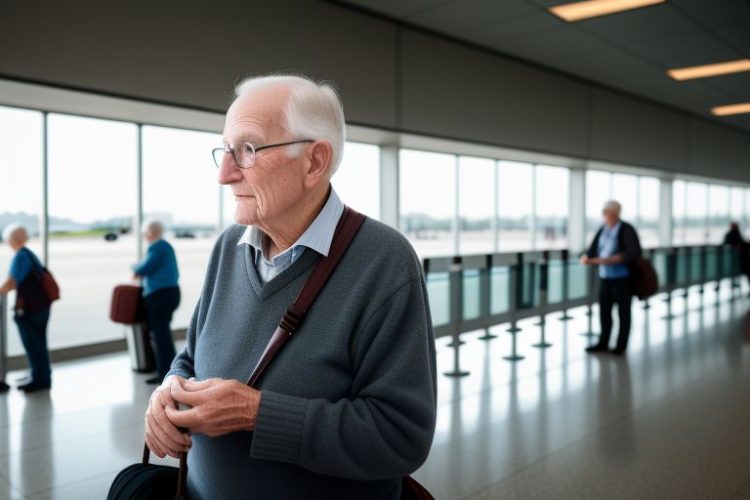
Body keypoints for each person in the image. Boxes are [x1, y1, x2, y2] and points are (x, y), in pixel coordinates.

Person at [144, 74, 437, 499]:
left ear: (314, 162)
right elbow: (192, 355)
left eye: (246, 150)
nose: (225, 175)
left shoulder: (385, 262)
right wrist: (169, 389)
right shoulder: (228, 247)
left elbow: (401, 436)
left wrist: (256, 414)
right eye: (225, 151)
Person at [581, 200, 642, 355]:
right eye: (604, 212)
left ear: (615, 214)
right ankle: (603, 342)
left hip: (623, 278)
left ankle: (621, 345)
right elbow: (593, 250)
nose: (605, 215)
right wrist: (587, 258)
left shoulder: (626, 229)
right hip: (606, 278)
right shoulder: (603, 230)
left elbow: (633, 252)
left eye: (607, 213)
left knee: (623, 312)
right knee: (604, 311)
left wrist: (613, 259)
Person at [0, 224, 52, 392]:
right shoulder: (29, 254)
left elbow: (11, 282)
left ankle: (39, 379)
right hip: (41, 306)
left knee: (33, 344)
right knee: (39, 343)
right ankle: (39, 375)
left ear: (12, 239)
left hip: (31, 309)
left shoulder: (21, 256)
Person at [132, 220, 180, 385]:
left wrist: (134, 268)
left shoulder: (157, 247)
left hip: (161, 296)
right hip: (170, 294)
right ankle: (170, 370)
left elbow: (144, 267)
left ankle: (166, 373)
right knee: (163, 334)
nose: (144, 237)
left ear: (150, 233)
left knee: (161, 336)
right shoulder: (166, 246)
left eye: (145, 234)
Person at [723, 221, 750, 294]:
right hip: (742, 257)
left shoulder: (731, 234)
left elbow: (725, 242)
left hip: (738, 257)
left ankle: (734, 283)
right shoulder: (737, 234)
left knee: (740, 270)